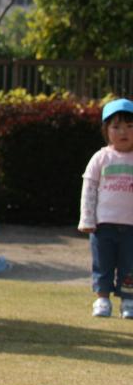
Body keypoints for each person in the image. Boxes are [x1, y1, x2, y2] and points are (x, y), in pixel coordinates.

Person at [78, 98, 133, 319]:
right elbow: (89, 189)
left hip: (131, 226)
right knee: (103, 264)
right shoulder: (101, 158)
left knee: (130, 267)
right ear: (106, 130)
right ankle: (102, 299)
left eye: (130, 126)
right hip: (103, 226)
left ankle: (128, 300)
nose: (123, 132)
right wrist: (87, 219)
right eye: (116, 126)